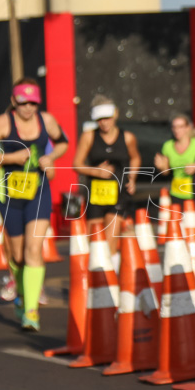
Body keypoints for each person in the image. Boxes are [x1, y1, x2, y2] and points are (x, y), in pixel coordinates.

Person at [0, 79, 68, 331]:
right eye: (23, 102)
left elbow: (63, 142)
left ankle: (31, 311)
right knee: (17, 255)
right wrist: (10, 157)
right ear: (14, 101)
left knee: (34, 250)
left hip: (38, 191)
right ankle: (21, 292)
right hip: (9, 193)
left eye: (33, 103)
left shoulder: (46, 121)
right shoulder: (3, 123)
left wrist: (50, 157)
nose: (28, 107)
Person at [72, 96, 141, 267]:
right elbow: (76, 164)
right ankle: (96, 278)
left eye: (107, 118)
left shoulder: (127, 137)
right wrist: (96, 171)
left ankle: (112, 280)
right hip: (95, 194)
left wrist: (132, 177)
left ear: (115, 114)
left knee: (110, 241)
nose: (104, 123)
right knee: (94, 241)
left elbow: (135, 158)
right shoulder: (89, 137)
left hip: (118, 193)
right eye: (100, 119)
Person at [153, 114, 195, 208]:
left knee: (193, 220)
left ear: (188, 128)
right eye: (174, 127)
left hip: (194, 191)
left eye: (180, 127)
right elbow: (166, 172)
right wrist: (160, 166)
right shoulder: (168, 146)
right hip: (176, 191)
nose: (176, 130)